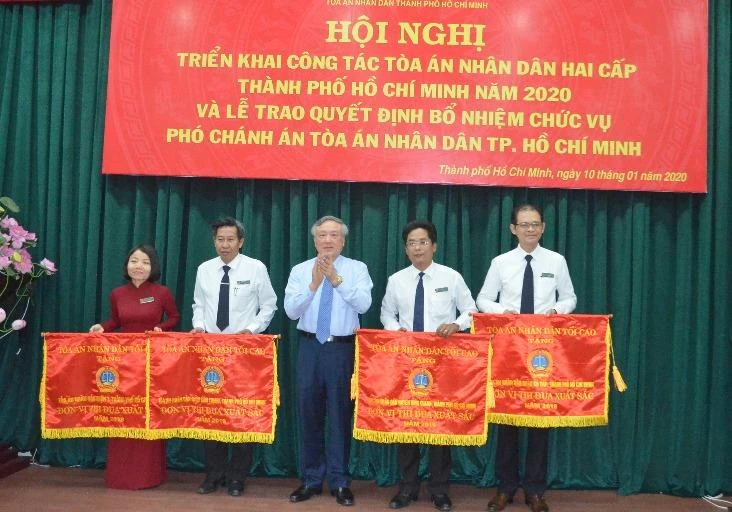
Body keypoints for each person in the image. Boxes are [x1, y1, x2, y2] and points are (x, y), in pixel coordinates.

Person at [476, 204, 577, 512]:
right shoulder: (500, 262)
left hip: (544, 353)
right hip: (510, 351)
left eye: (535, 224)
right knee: (507, 422)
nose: (530, 229)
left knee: (539, 422)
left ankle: (535, 491)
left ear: (543, 227)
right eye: (524, 225)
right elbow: (483, 299)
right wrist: (501, 312)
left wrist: (557, 310)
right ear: (513, 229)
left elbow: (570, 297)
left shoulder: (556, 261)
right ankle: (504, 489)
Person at [380, 220, 477, 512]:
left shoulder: (451, 276)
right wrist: (396, 330)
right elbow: (386, 314)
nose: (417, 248)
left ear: (433, 246)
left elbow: (471, 310)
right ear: (405, 249)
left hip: (442, 361)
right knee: (407, 423)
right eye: (412, 243)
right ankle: (407, 487)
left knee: (439, 425)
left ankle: (439, 489)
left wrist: (456, 324)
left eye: (423, 242)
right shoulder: (396, 280)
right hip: (407, 360)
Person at [284, 215, 373, 507]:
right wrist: (313, 284)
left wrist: (336, 279)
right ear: (314, 240)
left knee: (339, 415)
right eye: (322, 235)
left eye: (334, 235)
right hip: (310, 347)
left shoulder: (357, 269)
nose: (328, 240)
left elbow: (364, 305)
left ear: (343, 241)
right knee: (309, 413)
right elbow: (291, 312)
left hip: (341, 349)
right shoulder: (300, 270)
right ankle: (311, 479)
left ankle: (339, 481)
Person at [191, 217, 277, 497]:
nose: (225, 245)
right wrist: (199, 326)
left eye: (230, 239)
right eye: (220, 239)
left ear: (241, 242)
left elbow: (269, 305)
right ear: (214, 241)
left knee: (241, 413)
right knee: (211, 413)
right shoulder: (204, 269)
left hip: (243, 351)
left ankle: (238, 476)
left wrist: (251, 330)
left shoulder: (255, 268)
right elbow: (198, 304)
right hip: (210, 351)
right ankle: (213, 474)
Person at [89, 244, 180, 490]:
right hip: (124, 362)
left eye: (145, 262)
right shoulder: (117, 293)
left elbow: (174, 317)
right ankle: (120, 475)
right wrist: (102, 327)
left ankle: (148, 475)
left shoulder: (161, 292)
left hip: (151, 362)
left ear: (153, 268)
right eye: (134, 261)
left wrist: (161, 328)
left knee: (148, 414)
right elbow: (116, 320)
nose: (139, 266)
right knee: (123, 413)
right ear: (127, 265)